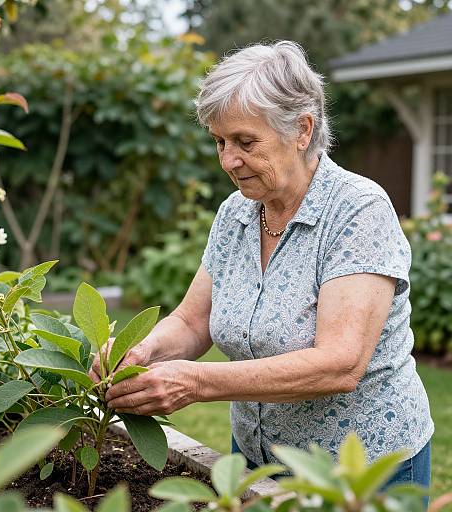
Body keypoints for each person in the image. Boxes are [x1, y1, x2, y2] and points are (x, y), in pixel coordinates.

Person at [90, 41, 434, 499]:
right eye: (220, 142)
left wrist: (193, 381)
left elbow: (341, 363)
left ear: (302, 130)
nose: (229, 160)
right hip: (256, 460)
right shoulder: (237, 213)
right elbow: (192, 322)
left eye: (246, 142)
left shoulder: (357, 211)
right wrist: (141, 352)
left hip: (359, 473)